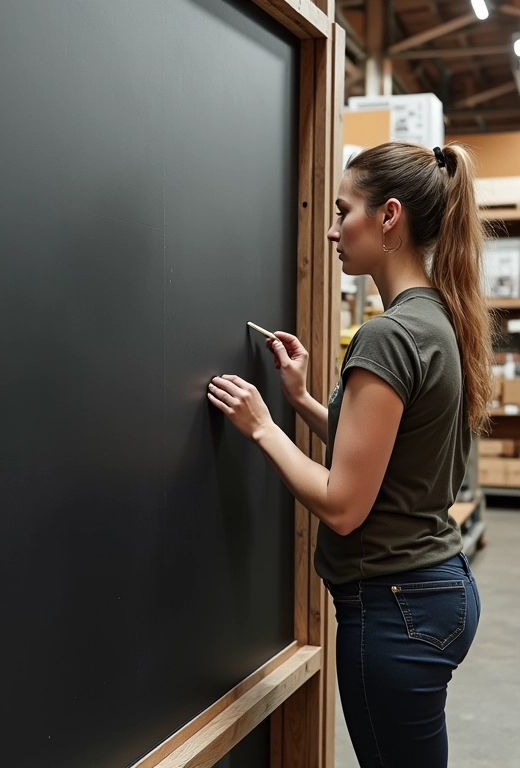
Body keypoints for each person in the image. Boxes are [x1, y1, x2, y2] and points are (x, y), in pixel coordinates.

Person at [207, 141, 491, 767]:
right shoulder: (437, 317)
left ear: (389, 216)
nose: (333, 231)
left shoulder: (388, 335)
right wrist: (303, 401)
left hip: (394, 606)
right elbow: (389, 453)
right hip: (435, 586)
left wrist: (263, 427)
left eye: (343, 211)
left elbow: (343, 505)